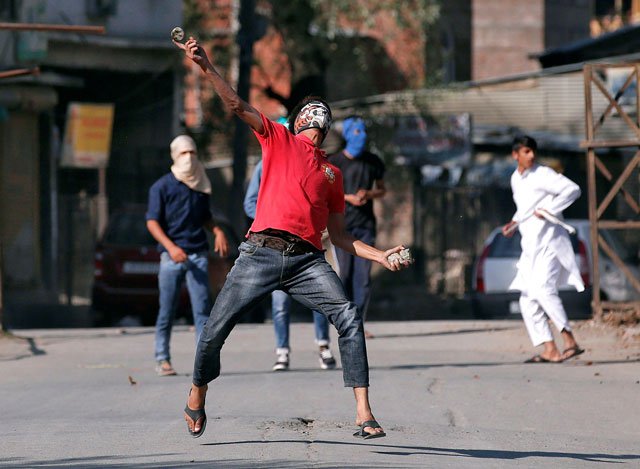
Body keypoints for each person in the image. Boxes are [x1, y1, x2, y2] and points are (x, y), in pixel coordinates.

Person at [174, 36, 410, 440]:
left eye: (323, 111)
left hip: (307, 261)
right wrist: (206, 66)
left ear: (326, 125)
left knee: (349, 317)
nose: (316, 113)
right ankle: (197, 393)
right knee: (214, 329)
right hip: (259, 252)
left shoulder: (332, 174)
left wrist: (382, 255)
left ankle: (364, 413)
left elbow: (340, 236)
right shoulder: (277, 138)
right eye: (309, 109)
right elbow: (236, 105)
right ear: (299, 120)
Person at [146, 135, 229, 376]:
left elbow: (205, 217)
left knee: (203, 311)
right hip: (171, 257)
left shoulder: (200, 184)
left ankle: (203, 363)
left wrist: (217, 231)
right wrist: (171, 248)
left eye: (192, 152)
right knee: (167, 311)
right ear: (174, 155)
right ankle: (162, 359)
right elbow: (152, 222)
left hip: (197, 255)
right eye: (183, 153)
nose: (189, 158)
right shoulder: (161, 187)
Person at [243, 159, 337, 371]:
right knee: (280, 302)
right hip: (278, 246)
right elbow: (250, 203)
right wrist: (270, 221)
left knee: (321, 298)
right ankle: (282, 351)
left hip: (308, 244)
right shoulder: (266, 164)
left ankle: (324, 346)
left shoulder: (311, 164)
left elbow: (326, 200)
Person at [502, 135, 585, 364]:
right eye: (526, 151)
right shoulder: (515, 179)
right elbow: (524, 209)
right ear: (515, 154)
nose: (531, 156)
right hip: (530, 246)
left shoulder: (543, 174)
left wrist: (549, 208)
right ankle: (551, 349)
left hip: (550, 243)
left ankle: (570, 341)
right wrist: (514, 223)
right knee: (527, 300)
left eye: (533, 151)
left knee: (543, 290)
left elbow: (573, 190)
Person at [329, 116, 386, 339]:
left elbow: (382, 190)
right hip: (341, 227)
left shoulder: (373, 161)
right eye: (356, 132)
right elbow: (324, 191)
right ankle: (345, 321)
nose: (360, 136)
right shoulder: (335, 163)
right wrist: (347, 198)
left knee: (362, 278)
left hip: (365, 226)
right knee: (345, 276)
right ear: (347, 134)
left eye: (363, 132)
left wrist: (368, 194)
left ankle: (359, 324)